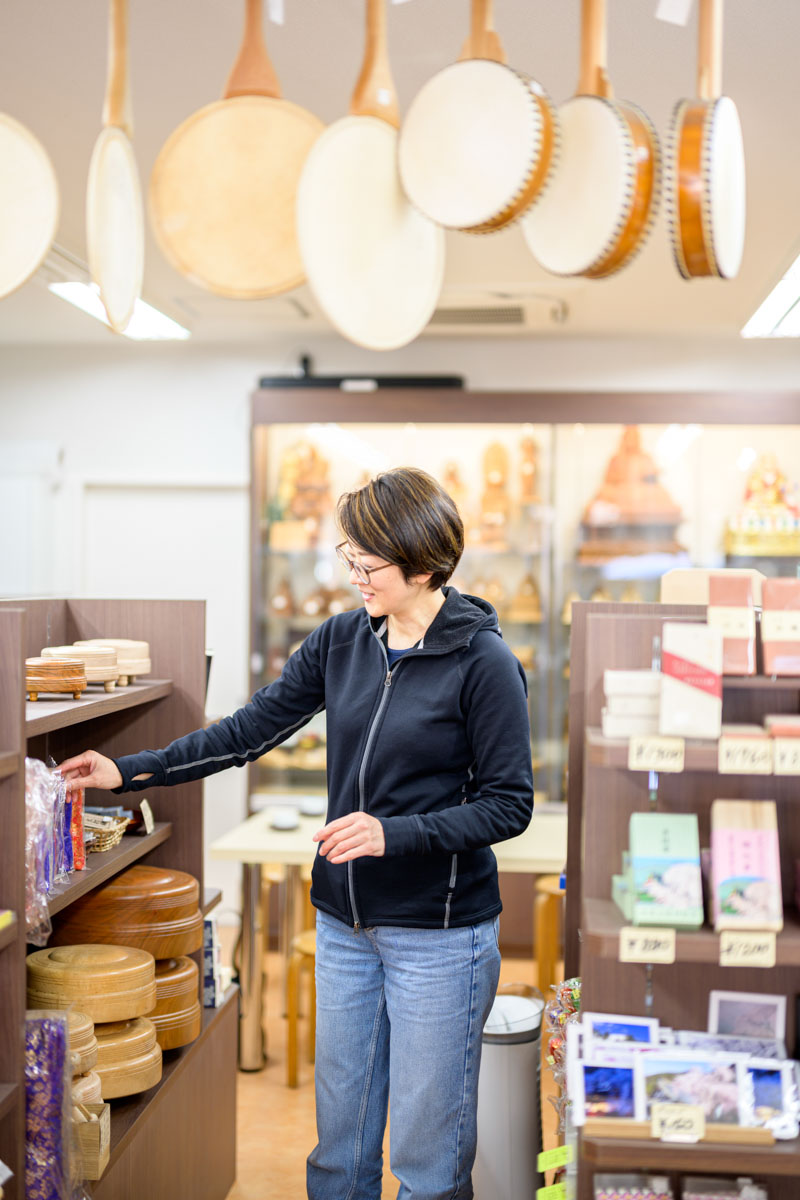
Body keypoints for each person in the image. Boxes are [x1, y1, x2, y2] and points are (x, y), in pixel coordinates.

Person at [59, 466, 534, 1200]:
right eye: (348, 559)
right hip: (344, 924)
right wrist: (131, 771)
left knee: (428, 1153)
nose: (354, 578)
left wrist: (392, 834)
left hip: (440, 937)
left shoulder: (485, 663)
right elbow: (249, 732)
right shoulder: (342, 642)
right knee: (339, 1145)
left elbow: (509, 805)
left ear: (423, 564)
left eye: (367, 565)